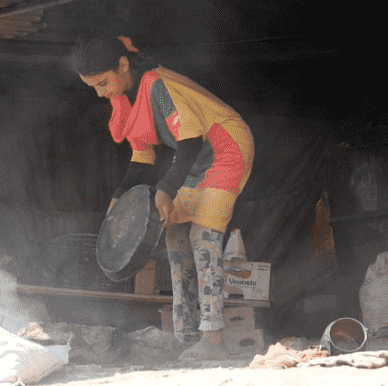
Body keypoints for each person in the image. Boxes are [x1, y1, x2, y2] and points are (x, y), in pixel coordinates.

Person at [72, 35, 254, 360]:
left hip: (227, 148)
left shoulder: (159, 85)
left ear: (123, 65)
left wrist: (166, 190)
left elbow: (189, 141)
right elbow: (143, 159)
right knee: (174, 235)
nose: (100, 92)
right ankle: (185, 335)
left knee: (203, 236)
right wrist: (118, 199)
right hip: (197, 161)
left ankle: (213, 340)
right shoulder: (128, 97)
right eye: (93, 88)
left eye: (102, 82)